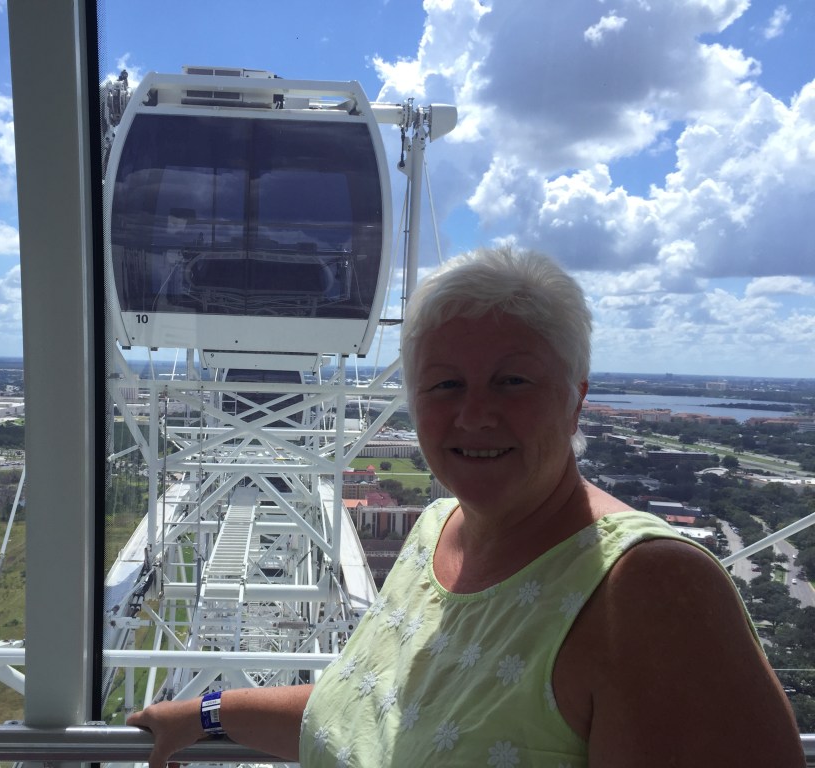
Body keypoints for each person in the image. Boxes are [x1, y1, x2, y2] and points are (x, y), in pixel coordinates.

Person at [128, 246, 804, 767]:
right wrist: (206, 714)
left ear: (577, 397)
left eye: (513, 380)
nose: (475, 414)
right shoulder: (435, 533)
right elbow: (373, 712)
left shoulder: (650, 592)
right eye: (445, 384)